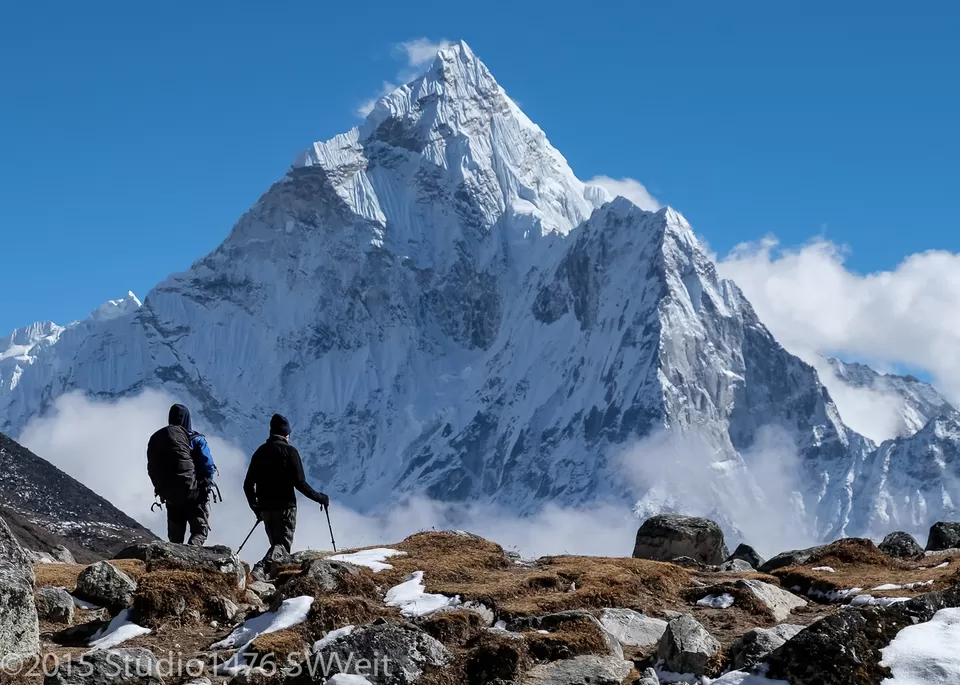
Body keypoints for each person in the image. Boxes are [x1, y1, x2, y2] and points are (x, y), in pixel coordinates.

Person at [243, 413, 329, 576]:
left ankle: (269, 579)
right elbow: (300, 483)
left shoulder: (260, 452)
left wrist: (256, 508)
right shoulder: (290, 451)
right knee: (282, 546)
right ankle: (261, 568)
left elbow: (247, 485)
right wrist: (320, 498)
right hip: (285, 507)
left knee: (276, 545)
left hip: (265, 508)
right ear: (286, 434)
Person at [146, 404, 217, 546]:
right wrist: (205, 486)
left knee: (175, 538)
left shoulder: (161, 439)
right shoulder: (195, 439)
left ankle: (173, 557)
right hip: (194, 492)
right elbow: (208, 465)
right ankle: (192, 555)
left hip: (170, 495)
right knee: (199, 532)